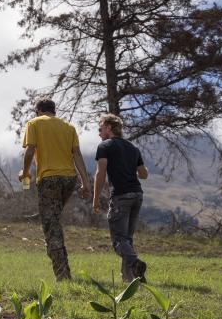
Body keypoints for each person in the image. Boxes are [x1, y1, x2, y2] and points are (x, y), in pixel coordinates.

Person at [18, 98, 91, 280]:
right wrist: (85, 182)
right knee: (55, 221)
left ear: (39, 110)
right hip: (69, 179)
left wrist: (25, 172)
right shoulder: (69, 127)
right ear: (53, 110)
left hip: (49, 179)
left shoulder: (34, 123)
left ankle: (63, 276)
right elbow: (77, 155)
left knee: (51, 227)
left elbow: (30, 150)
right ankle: (63, 268)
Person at [91, 113, 149, 282]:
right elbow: (143, 174)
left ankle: (135, 263)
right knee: (127, 240)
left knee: (118, 241)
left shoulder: (105, 146)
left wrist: (95, 200)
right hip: (137, 195)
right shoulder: (133, 148)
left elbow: (100, 173)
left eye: (100, 128)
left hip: (121, 197)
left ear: (109, 127)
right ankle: (129, 280)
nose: (99, 132)